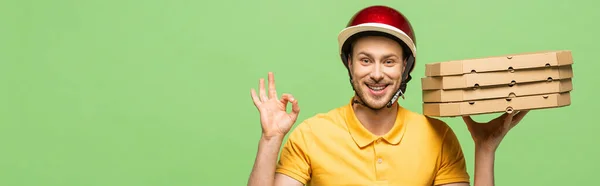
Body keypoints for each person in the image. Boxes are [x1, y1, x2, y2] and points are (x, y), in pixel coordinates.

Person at [247, 5, 529, 186]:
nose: (377, 74)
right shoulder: (311, 135)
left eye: (389, 61)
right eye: (366, 60)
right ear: (349, 64)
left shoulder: (439, 137)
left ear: (406, 67)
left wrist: (485, 147)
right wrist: (270, 139)